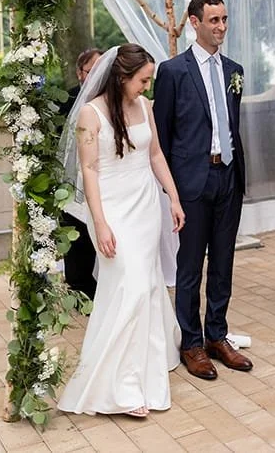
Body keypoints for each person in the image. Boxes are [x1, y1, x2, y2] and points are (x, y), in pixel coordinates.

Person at [57, 44, 184, 417]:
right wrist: (99, 222)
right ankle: (121, 386)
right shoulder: (90, 113)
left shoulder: (145, 106)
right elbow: (89, 169)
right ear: (121, 77)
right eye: (143, 80)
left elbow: (155, 155)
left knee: (148, 284)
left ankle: (146, 363)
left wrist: (173, 198)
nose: (147, 86)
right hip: (112, 210)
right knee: (129, 287)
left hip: (145, 206)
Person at [153, 0, 252, 381]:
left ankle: (216, 336)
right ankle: (191, 344)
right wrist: (173, 191)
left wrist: (234, 173)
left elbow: (232, 124)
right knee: (190, 267)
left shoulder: (234, 70)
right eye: (214, 20)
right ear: (194, 22)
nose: (221, 26)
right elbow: (162, 136)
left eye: (224, 19)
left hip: (228, 177)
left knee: (223, 264)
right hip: (192, 182)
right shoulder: (172, 71)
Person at [59, 48, 103, 300]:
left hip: (103, 177)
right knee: (77, 237)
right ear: (80, 73)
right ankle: (78, 287)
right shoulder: (68, 100)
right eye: (91, 70)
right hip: (73, 182)